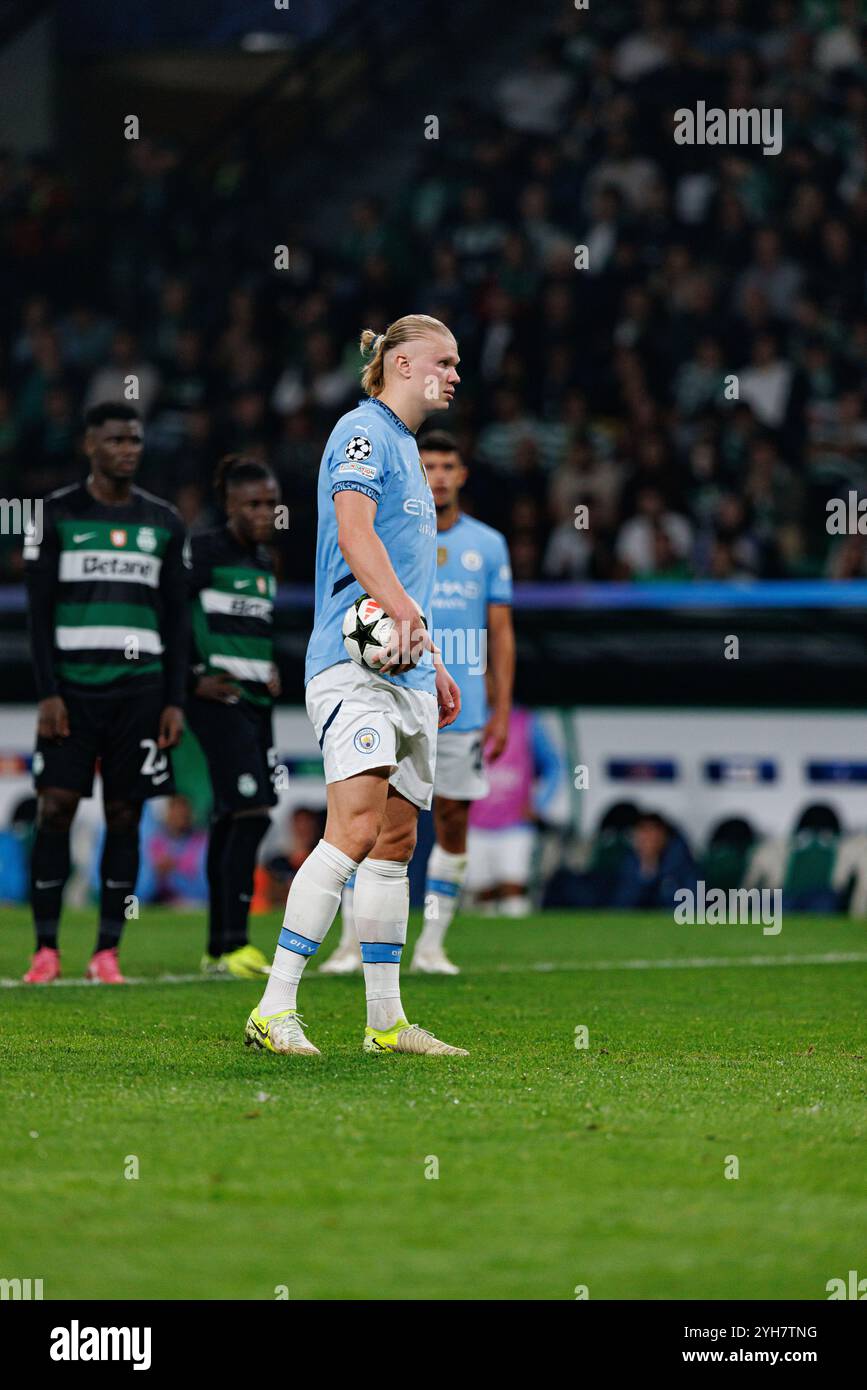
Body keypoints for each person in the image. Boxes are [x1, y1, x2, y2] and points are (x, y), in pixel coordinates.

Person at [244, 313, 466, 1057]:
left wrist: (427, 657)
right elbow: (353, 532)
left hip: (404, 669)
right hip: (354, 670)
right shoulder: (362, 432)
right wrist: (403, 614)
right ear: (402, 364)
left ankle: (384, 1022)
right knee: (356, 828)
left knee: (397, 841)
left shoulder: (405, 445)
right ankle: (274, 1008)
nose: (455, 374)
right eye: (444, 360)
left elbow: (401, 566)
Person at [320, 428, 514, 974]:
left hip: (464, 705)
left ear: (462, 475)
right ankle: (348, 944)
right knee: (369, 820)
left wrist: (501, 711)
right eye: (428, 466)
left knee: (452, 821)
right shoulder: (397, 535)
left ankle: (432, 943)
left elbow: (500, 633)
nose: (440, 476)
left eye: (449, 466)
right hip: (397, 691)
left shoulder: (489, 546)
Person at [22, 401, 188, 983]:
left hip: (140, 695)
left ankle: (107, 952)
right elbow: (37, 616)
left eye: (135, 439)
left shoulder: (164, 521)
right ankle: (46, 947)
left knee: (125, 813)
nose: (128, 449)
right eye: (116, 439)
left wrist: (174, 701)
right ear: (89, 445)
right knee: (56, 807)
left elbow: (177, 621)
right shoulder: (52, 515)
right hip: (71, 692)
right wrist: (46, 692)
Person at [187, 455, 282, 978]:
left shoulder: (264, 560)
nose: (264, 512)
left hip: (255, 701)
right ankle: (234, 943)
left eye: (270, 503)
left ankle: (218, 950)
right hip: (217, 701)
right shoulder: (203, 553)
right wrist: (189, 680)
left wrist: (268, 669)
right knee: (252, 813)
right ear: (229, 506)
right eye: (253, 504)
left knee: (232, 815)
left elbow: (253, 627)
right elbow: (170, 615)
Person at [465, 707, 564, 915]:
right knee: (481, 892)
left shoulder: (526, 722)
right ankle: (488, 944)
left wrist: (539, 804)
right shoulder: (467, 715)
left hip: (515, 824)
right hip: (474, 822)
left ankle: (520, 943)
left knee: (514, 888)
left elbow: (554, 764)